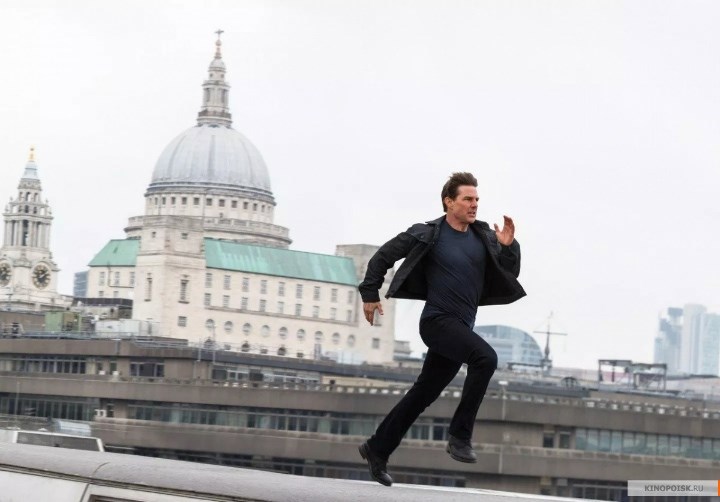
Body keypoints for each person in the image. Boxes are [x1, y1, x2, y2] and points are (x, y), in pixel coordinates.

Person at [357, 172, 526, 487]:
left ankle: (377, 448)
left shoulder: (484, 237)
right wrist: (370, 293)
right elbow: (383, 257)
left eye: (477, 199)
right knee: (486, 358)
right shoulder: (427, 234)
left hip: (460, 327)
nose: (474, 205)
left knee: (424, 393)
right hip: (436, 322)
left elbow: (509, 274)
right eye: (467, 199)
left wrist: (508, 246)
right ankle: (460, 437)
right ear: (449, 201)